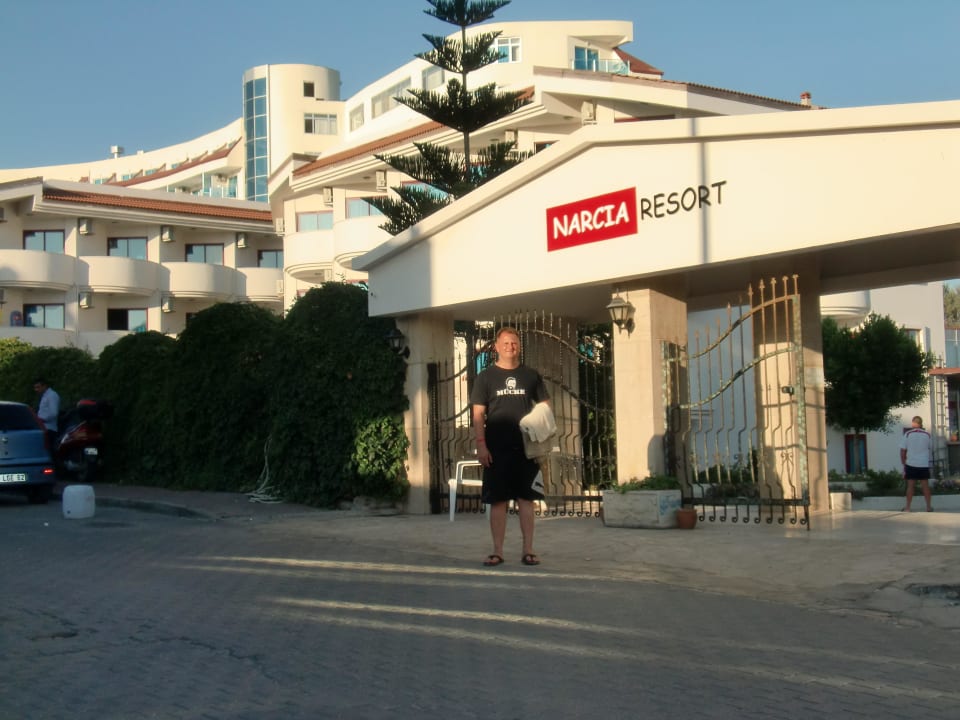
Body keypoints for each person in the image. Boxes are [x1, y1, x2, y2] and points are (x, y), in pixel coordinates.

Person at [470, 327, 550, 567]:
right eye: (505, 343)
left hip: (527, 450)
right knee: (498, 501)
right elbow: (478, 414)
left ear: (519, 346)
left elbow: (545, 406)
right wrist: (481, 445)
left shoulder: (531, 376)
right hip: (496, 449)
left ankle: (528, 550)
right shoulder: (485, 377)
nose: (510, 347)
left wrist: (539, 429)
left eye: (514, 343)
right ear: (496, 347)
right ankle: (497, 551)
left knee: (527, 499)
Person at [900, 415, 933, 512]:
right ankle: (928, 507)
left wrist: (903, 463)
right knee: (925, 486)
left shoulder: (908, 434)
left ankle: (908, 507)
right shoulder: (927, 435)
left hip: (911, 463)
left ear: (914, 423)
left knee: (910, 486)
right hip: (923, 464)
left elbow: (903, 450)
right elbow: (930, 447)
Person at [34, 377, 61, 450]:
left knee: (48, 450)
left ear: (44, 386)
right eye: (35, 387)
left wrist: (42, 419)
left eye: (38, 387)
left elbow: (54, 413)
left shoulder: (52, 395)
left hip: (49, 429)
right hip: (43, 428)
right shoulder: (44, 396)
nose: (36, 390)